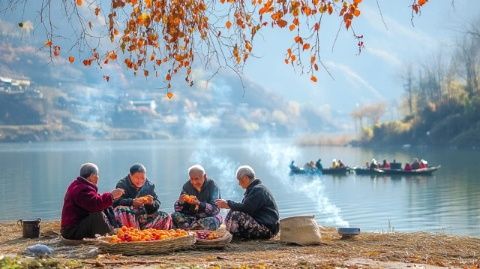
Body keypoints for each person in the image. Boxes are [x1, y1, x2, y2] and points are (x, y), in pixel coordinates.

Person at [61, 163, 125, 240]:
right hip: (71, 231)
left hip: (77, 226)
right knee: (97, 214)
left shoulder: (79, 185)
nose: (98, 178)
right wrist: (111, 196)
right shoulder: (81, 189)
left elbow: (95, 199)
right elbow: (95, 205)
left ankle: (113, 230)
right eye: (97, 176)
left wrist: (110, 198)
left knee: (106, 206)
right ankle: (110, 236)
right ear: (92, 176)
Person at [215, 165, 279, 240]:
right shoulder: (254, 189)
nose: (239, 183)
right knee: (233, 211)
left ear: (245, 178)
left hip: (267, 229)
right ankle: (233, 235)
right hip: (261, 225)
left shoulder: (258, 190)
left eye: (239, 180)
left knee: (235, 214)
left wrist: (228, 204)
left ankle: (233, 236)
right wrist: (229, 205)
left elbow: (247, 208)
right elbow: (245, 207)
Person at [113, 163, 172, 230]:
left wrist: (151, 203)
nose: (140, 181)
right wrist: (132, 202)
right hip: (128, 217)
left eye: (142, 178)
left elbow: (157, 203)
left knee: (165, 216)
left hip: (143, 217)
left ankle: (148, 232)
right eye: (137, 178)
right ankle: (131, 232)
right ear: (130, 176)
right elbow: (115, 202)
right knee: (120, 210)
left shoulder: (149, 185)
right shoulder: (122, 184)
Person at [171, 165, 222, 230]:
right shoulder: (186, 186)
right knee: (175, 215)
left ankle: (190, 227)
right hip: (191, 217)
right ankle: (194, 227)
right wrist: (180, 203)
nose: (194, 182)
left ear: (204, 176)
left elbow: (215, 210)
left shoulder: (212, 186)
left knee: (215, 219)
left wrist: (199, 203)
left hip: (207, 217)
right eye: (191, 179)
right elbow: (179, 210)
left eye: (196, 179)